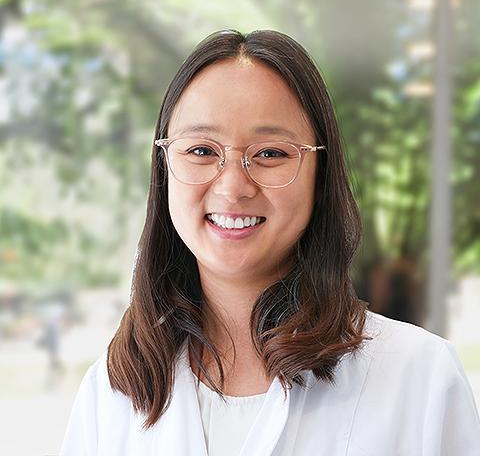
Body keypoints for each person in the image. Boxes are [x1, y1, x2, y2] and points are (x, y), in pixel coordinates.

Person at [59, 29, 480, 456]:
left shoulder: (421, 379)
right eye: (201, 151)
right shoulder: (111, 394)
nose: (232, 187)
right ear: (164, 168)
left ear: (320, 175)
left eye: (270, 153)